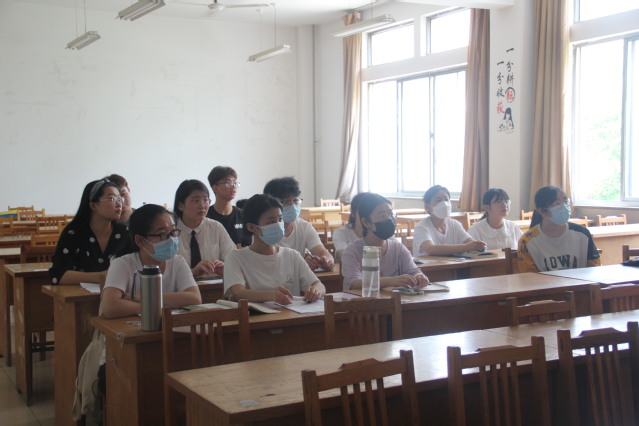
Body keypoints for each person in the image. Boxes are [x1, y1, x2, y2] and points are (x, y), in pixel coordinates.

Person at [100, 204, 202, 319]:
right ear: (140, 241)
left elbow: (194, 299)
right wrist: (155, 307)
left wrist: (140, 297)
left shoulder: (178, 262)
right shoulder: (122, 264)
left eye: (173, 231)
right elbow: (110, 307)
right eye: (163, 234)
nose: (171, 239)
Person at [223, 194, 326, 305]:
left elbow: (318, 285)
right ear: (251, 227)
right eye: (271, 222)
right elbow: (238, 292)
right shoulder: (236, 258)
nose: (278, 225)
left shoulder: (292, 255)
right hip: (255, 315)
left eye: (280, 219)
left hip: (291, 313)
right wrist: (272, 295)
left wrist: (316, 291)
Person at [341, 193, 429, 291]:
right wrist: (393, 281)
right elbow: (355, 283)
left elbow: (413, 271)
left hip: (394, 299)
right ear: (366, 222)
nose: (389, 219)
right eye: (383, 216)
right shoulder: (352, 251)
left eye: (390, 214)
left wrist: (419, 276)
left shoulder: (398, 248)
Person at [50, 178, 128, 286]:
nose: (119, 204)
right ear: (93, 205)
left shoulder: (126, 233)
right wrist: (100, 277)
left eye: (120, 199)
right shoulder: (73, 234)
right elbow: (59, 275)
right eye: (112, 199)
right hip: (80, 296)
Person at [518, 186, 600, 272]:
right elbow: (528, 276)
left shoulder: (583, 233)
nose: (564, 206)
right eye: (557, 203)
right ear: (542, 211)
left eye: (565, 202)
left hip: (579, 280)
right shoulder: (527, 241)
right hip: (545, 281)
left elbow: (594, 267)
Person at [263, 177, 334, 271]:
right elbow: (268, 264)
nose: (292, 205)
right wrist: (301, 264)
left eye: (295, 200)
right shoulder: (266, 230)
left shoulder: (304, 227)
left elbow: (323, 253)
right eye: (286, 201)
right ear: (271, 203)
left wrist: (326, 261)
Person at [173, 180, 236, 277]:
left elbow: (233, 260)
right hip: (180, 285)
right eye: (196, 201)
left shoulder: (216, 227)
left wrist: (225, 268)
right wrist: (192, 272)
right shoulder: (171, 231)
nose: (202, 206)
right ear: (181, 205)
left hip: (213, 285)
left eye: (206, 200)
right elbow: (166, 272)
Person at [413, 185, 487, 256]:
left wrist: (478, 246)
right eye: (438, 200)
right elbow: (430, 249)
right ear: (427, 206)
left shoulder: (455, 224)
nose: (444, 204)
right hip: (429, 265)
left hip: (453, 264)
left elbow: (471, 243)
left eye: (446, 199)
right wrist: (466, 247)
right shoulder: (421, 227)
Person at [206, 166, 248, 246]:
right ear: (215, 188)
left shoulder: (243, 215)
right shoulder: (206, 216)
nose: (233, 186)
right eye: (228, 183)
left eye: (235, 182)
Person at [332, 192, 369, 262]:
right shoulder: (341, 232)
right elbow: (344, 256)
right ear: (353, 214)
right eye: (363, 212)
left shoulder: (381, 232)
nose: (367, 217)